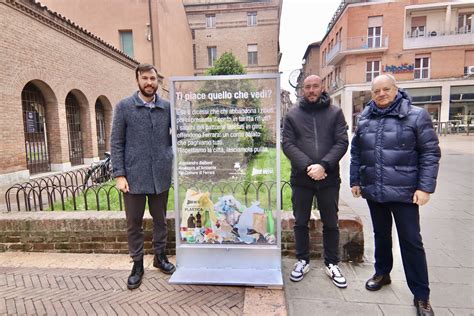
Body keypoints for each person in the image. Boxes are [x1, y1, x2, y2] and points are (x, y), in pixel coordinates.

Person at [350, 74, 440, 316]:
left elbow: (430, 153)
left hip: (405, 192)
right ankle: (382, 273)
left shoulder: (416, 116)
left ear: (396, 89)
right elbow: (356, 151)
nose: (381, 94)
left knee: (411, 241)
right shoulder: (365, 117)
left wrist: (425, 188)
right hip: (374, 190)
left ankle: (421, 295)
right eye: (376, 90)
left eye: (386, 89)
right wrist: (355, 180)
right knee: (380, 234)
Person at [111, 63, 175, 290]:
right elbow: (116, 143)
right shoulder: (124, 107)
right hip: (134, 177)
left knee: (160, 221)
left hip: (161, 176)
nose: (149, 83)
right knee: (134, 224)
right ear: (138, 80)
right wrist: (119, 174)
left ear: (158, 81)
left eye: (153, 79)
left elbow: (181, 135)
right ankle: (137, 265)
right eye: (145, 78)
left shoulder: (168, 107)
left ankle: (160, 257)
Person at [282, 75, 349, 287]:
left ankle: (332, 263)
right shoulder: (293, 114)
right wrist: (309, 166)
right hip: (302, 178)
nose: (311, 90)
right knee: (300, 221)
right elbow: (287, 144)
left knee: (331, 222)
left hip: (328, 177)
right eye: (307, 87)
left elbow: (342, 142)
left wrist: (324, 165)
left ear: (322, 87)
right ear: (303, 89)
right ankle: (302, 260)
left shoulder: (335, 112)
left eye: (315, 86)